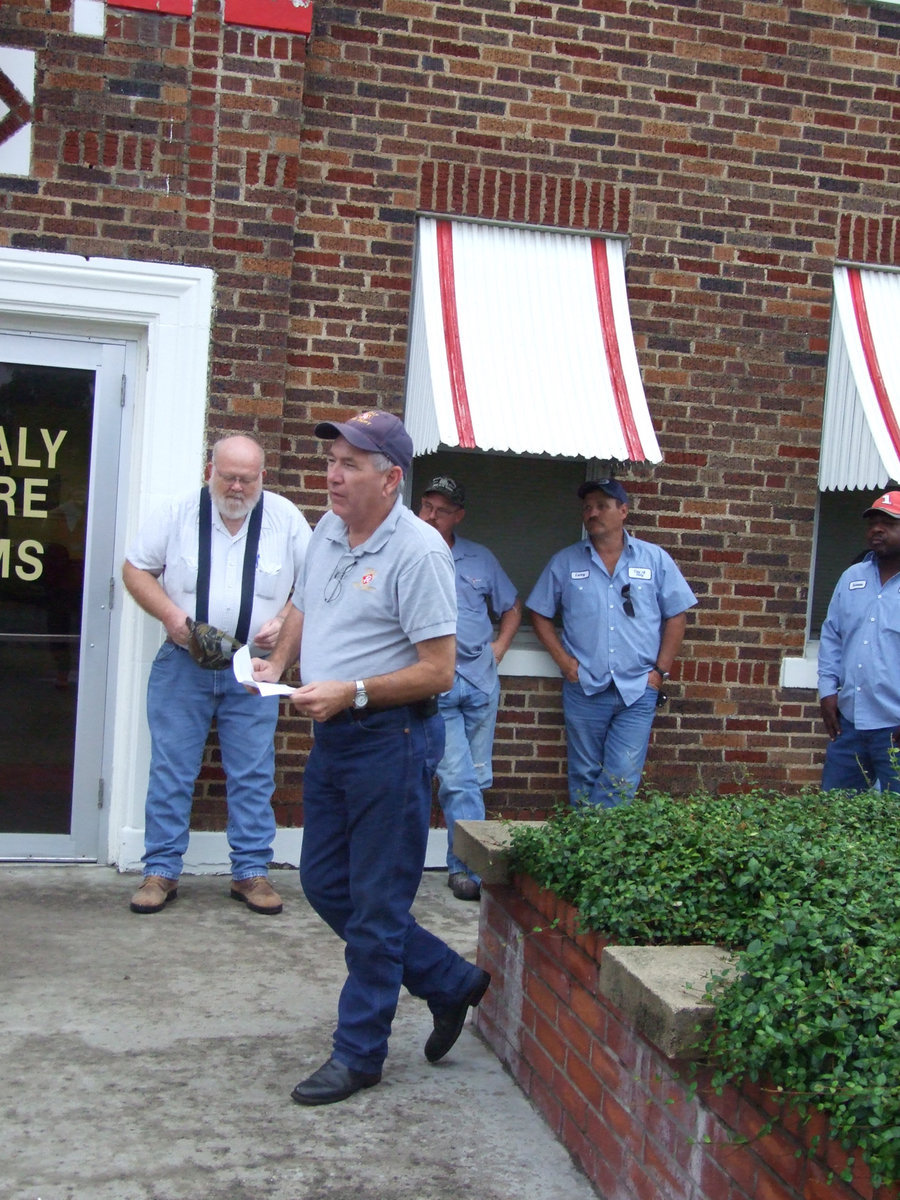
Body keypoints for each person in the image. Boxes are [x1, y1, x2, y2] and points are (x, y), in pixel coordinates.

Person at [252, 411, 490, 1106]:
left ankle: (360, 1054)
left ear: (390, 480)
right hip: (335, 738)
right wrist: (280, 659)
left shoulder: (419, 553)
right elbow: (302, 601)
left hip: (394, 740)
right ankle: (449, 980)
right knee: (327, 882)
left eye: (352, 463)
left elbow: (440, 671)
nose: (333, 473)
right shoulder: (328, 526)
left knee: (378, 907)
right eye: (332, 458)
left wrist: (354, 690)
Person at [122, 434, 311, 916]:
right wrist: (172, 618)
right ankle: (160, 871)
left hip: (251, 666)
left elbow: (313, 586)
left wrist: (286, 619)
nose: (236, 486)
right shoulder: (178, 512)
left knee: (252, 773)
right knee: (171, 768)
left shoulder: (286, 519)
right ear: (211, 470)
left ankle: (251, 873)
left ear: (262, 477)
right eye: (227, 475)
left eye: (247, 478)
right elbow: (135, 570)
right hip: (181, 663)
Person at [526, 479, 697, 808]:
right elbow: (538, 613)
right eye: (587, 507)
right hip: (585, 688)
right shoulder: (565, 562)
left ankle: (595, 850)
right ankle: (585, 853)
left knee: (622, 777)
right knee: (584, 774)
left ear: (623, 511)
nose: (592, 513)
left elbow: (677, 616)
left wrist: (660, 672)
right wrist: (564, 662)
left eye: (601, 506)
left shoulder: (654, 560)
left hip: (637, 689)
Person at [417, 476, 521, 901]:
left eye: (441, 509)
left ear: (458, 515)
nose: (431, 515)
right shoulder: (411, 552)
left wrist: (500, 647)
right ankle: (469, 870)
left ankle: (464, 859)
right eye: (426, 505)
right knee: (457, 779)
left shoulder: (480, 558)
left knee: (476, 779)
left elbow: (511, 606)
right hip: (436, 684)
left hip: (480, 682)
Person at [818, 489, 900, 794]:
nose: (877, 530)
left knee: (892, 826)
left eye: (889, 523)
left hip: (894, 728)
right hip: (849, 723)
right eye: (873, 523)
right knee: (835, 815)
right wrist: (827, 692)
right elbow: (832, 637)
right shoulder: (852, 577)